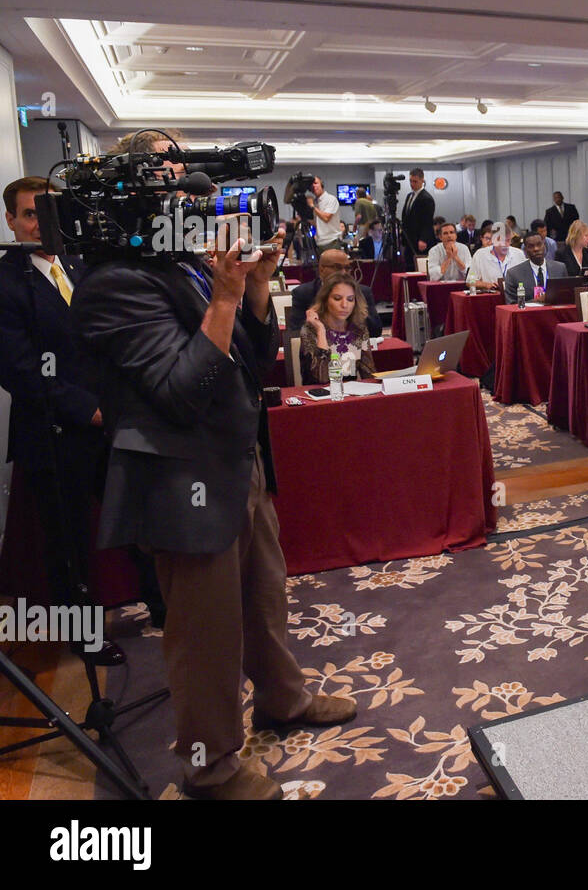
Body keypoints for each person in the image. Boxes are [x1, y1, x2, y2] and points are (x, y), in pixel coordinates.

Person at [72, 187, 356, 801]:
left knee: (264, 595)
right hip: (179, 479)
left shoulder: (182, 264)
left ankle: (282, 699)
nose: (189, 204)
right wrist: (225, 295)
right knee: (206, 634)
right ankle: (211, 768)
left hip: (237, 457)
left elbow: (253, 363)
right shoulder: (113, 283)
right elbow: (181, 392)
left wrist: (253, 291)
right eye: (171, 186)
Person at [0, 176, 164, 655]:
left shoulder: (80, 264)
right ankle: (84, 638)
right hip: (56, 432)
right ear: (11, 221)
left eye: (49, 213)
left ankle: (163, 607)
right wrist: (87, 410)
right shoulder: (6, 283)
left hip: (115, 422)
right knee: (69, 543)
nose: (41, 224)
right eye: (31, 214)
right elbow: (20, 370)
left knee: (139, 521)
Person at [285, 247, 382, 339]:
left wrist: (357, 307)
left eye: (347, 268)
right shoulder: (303, 293)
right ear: (321, 269)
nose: (343, 273)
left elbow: (376, 331)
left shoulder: (363, 292)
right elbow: (295, 332)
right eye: (338, 268)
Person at [299, 273, 376, 385]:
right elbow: (322, 378)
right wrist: (321, 331)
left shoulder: (358, 330)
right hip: (318, 397)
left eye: (350, 299)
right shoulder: (311, 329)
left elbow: (369, 374)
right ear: (325, 300)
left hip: (350, 396)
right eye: (337, 298)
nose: (344, 305)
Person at [503, 232, 569, 305]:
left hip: (555, 314)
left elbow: (566, 298)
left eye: (539, 244)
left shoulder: (560, 268)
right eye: (531, 246)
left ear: (544, 245)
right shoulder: (514, 274)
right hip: (528, 315)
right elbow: (511, 305)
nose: (536, 249)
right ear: (525, 250)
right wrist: (537, 301)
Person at [399, 169, 436, 270]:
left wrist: (423, 239)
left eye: (415, 181)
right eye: (410, 181)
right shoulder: (409, 196)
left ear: (422, 181)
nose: (412, 184)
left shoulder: (426, 198)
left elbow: (427, 221)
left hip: (419, 239)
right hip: (409, 238)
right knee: (408, 265)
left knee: (417, 266)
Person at [470, 225, 524, 290]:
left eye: (508, 240)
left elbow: (527, 278)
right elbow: (470, 281)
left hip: (515, 296)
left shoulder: (519, 254)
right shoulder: (480, 255)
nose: (504, 244)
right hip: (491, 297)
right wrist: (486, 285)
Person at [306, 176, 342, 253]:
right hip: (319, 243)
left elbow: (326, 218)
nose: (314, 186)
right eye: (312, 185)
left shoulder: (331, 199)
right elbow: (317, 223)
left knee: (332, 265)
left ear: (322, 184)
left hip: (331, 242)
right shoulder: (315, 202)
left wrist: (312, 206)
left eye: (316, 183)